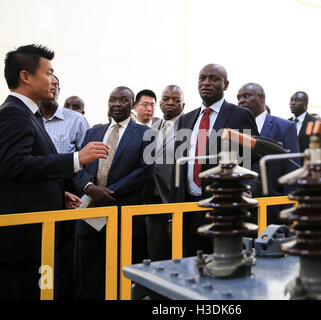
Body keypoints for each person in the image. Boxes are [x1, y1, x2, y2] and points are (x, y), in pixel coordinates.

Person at [0, 44, 109, 300]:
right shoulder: (13, 115)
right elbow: (14, 165)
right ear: (26, 76)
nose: (53, 80)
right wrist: (76, 158)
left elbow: (27, 171)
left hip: (38, 236)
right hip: (21, 243)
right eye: (48, 73)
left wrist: (58, 193)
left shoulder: (30, 115)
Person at [73, 86, 154, 299]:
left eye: (123, 101)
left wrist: (108, 192)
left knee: (123, 274)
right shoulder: (93, 132)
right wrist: (90, 188)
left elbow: (147, 170)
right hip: (90, 213)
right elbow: (78, 166)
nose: (117, 104)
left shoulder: (146, 134)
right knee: (91, 273)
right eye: (113, 100)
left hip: (124, 214)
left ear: (133, 105)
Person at [173, 64, 260, 257]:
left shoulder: (240, 115)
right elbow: (178, 165)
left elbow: (254, 161)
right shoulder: (186, 120)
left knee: (225, 264)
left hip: (224, 208)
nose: (206, 83)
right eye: (202, 78)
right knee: (191, 267)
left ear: (226, 84)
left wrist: (248, 189)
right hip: (188, 208)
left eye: (214, 79)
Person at [38, 75, 90, 300]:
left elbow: (88, 162)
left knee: (66, 252)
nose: (51, 89)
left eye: (55, 86)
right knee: (40, 253)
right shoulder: (28, 119)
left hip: (70, 195)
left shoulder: (76, 120)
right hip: (36, 196)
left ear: (58, 89)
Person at [237, 82, 300, 224]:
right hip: (240, 211)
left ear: (261, 98)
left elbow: (292, 172)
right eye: (239, 97)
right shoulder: (236, 129)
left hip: (272, 209)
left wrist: (290, 211)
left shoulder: (285, 127)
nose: (241, 101)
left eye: (246, 96)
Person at [145, 85, 185, 261]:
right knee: (154, 253)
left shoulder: (189, 127)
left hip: (174, 199)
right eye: (166, 99)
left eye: (176, 100)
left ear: (183, 105)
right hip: (151, 201)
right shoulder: (152, 126)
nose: (170, 103)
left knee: (175, 254)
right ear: (160, 103)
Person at [289, 91, 321, 163]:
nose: (293, 103)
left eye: (298, 100)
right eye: (292, 100)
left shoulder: (317, 124)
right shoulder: (287, 123)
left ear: (306, 104)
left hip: (309, 168)